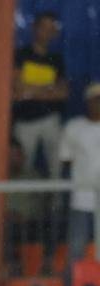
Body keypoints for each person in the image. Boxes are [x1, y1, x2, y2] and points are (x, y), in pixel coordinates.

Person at [12, 12, 69, 176]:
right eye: (43, 27)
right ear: (34, 28)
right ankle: (23, 202)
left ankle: (55, 202)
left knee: (56, 167)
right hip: (25, 121)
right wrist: (48, 89)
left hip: (51, 119)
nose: (46, 32)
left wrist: (29, 91)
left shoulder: (56, 59)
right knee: (23, 166)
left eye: (51, 28)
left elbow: (62, 93)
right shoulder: (21, 54)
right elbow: (17, 89)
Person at [59, 83, 100, 271]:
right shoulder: (74, 127)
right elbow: (66, 160)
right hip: (81, 198)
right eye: (95, 99)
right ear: (88, 102)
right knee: (76, 249)